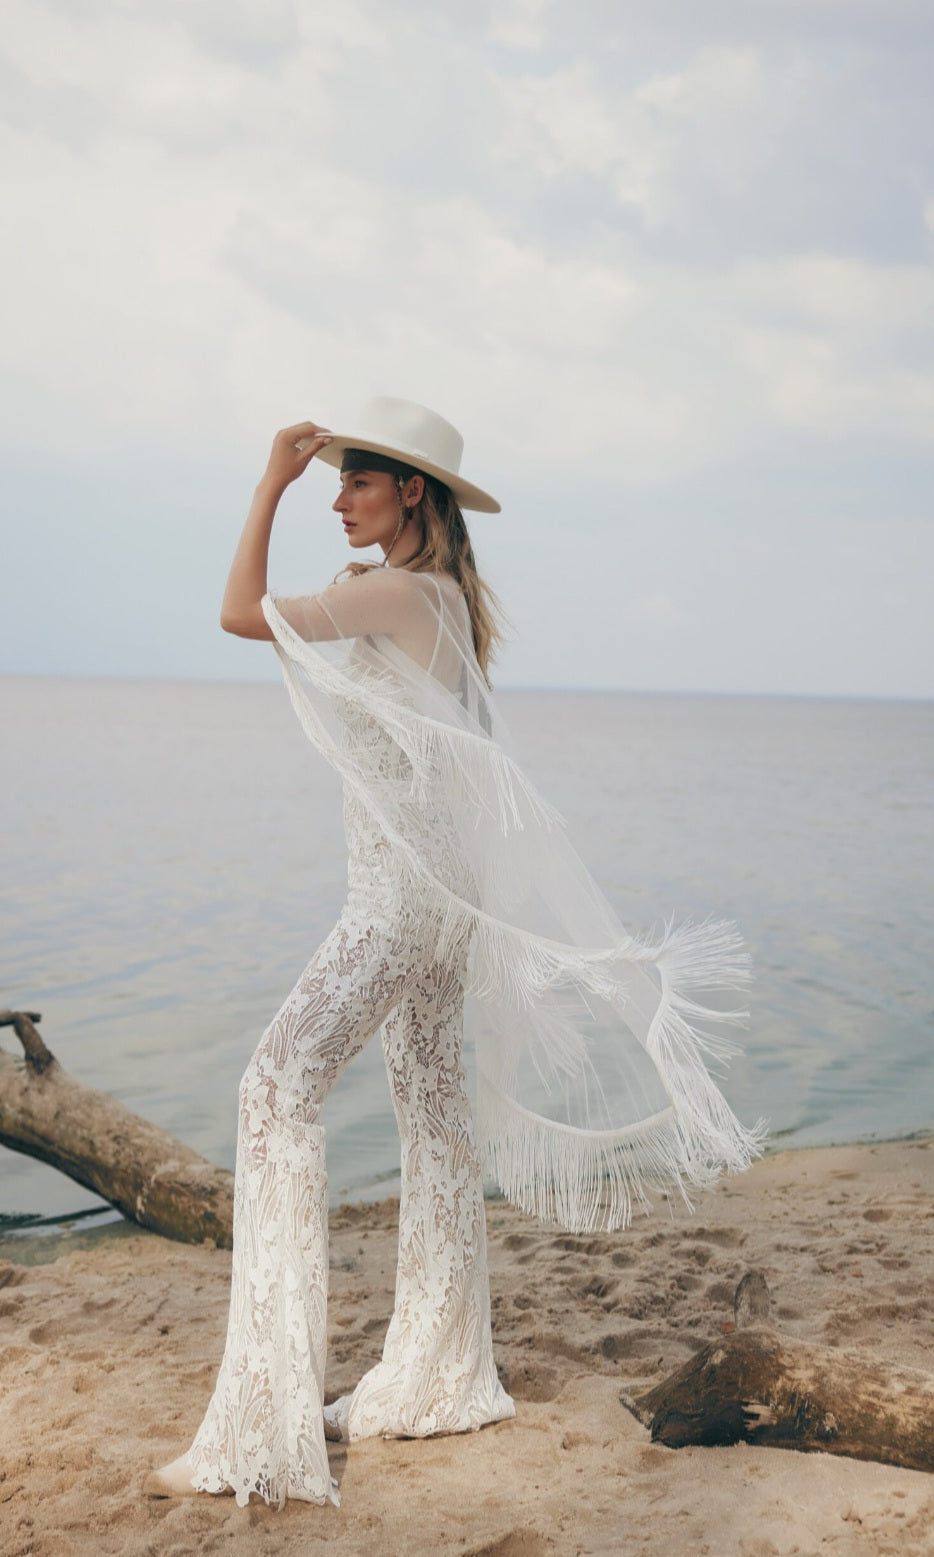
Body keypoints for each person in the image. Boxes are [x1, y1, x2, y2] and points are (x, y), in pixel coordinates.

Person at [144, 397, 763, 1509]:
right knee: (432, 1120)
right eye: (332, 482)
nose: (338, 500)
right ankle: (438, 1375)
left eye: (357, 482)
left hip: (396, 907)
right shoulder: (441, 599)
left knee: (271, 1092)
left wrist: (269, 480)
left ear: (411, 491)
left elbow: (238, 612)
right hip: (440, 906)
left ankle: (263, 1424)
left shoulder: (392, 593)